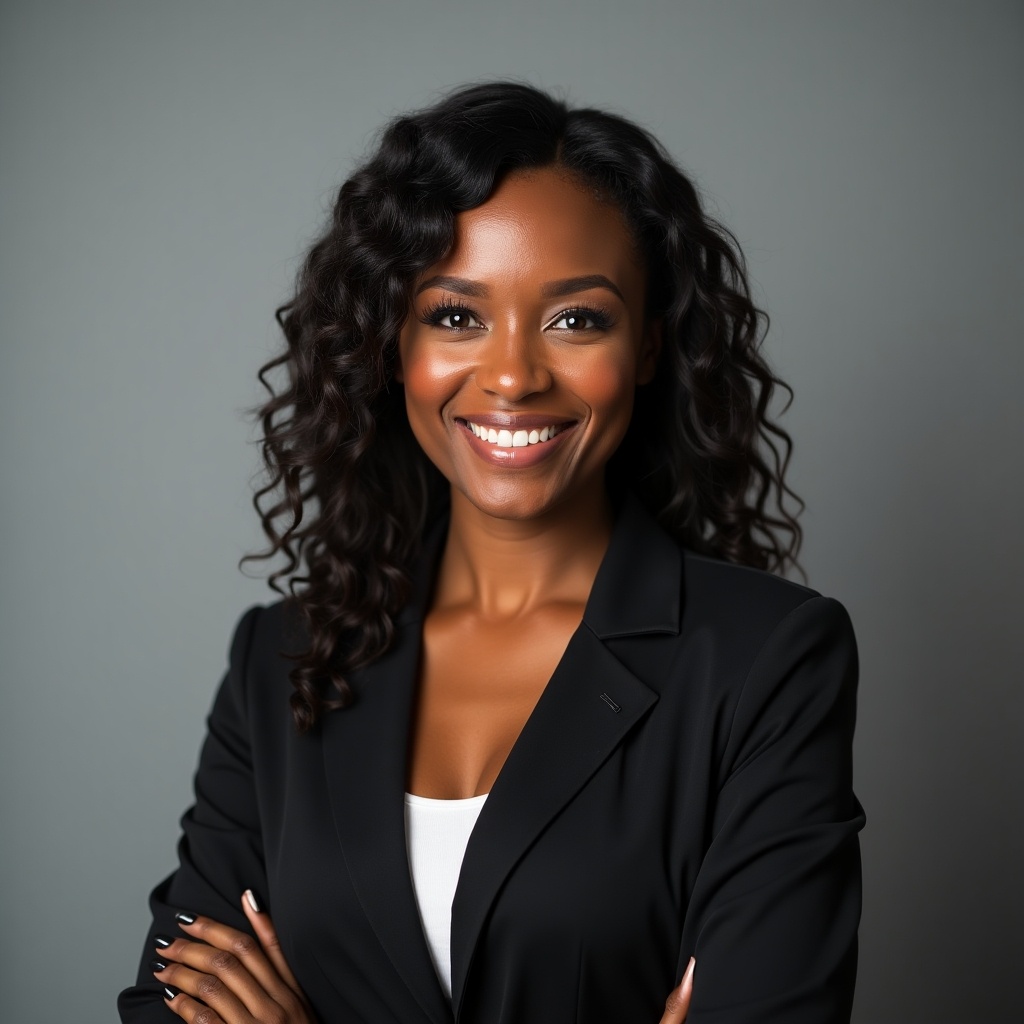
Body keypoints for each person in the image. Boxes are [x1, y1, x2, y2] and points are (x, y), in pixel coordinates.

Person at [118, 80, 865, 1024]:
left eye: (576, 318)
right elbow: (169, 1006)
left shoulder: (767, 660)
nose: (512, 374)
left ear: (646, 346)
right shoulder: (280, 660)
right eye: (457, 315)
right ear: (393, 346)